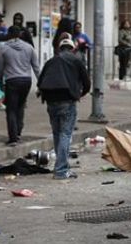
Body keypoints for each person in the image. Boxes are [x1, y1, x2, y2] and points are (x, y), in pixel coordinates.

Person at [37, 38, 90, 180]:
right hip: (67, 100)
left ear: (60, 49)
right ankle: (61, 170)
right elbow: (87, 83)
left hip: (51, 101)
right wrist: (80, 94)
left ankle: (61, 167)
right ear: (72, 48)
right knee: (65, 134)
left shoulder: (51, 61)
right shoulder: (76, 60)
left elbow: (40, 81)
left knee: (57, 134)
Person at [0, 26, 40, 146]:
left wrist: (0, 83)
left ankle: (13, 138)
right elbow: (36, 67)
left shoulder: (3, 48)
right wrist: (40, 83)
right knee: (20, 107)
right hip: (26, 81)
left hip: (11, 81)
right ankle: (18, 132)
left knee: (11, 109)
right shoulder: (29, 47)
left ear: (9, 34)